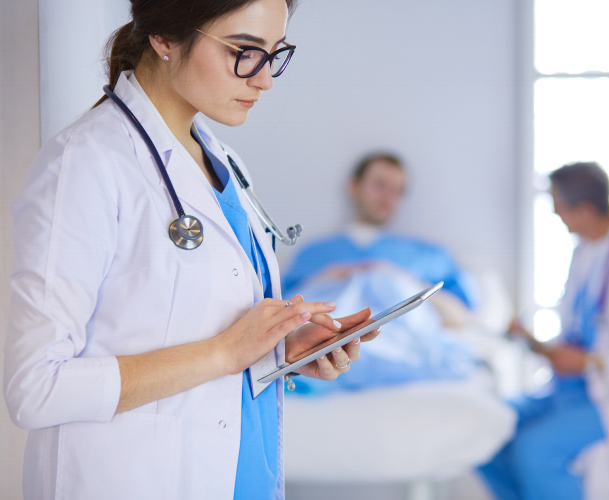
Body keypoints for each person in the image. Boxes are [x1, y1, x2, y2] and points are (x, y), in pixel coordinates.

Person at [3, 1, 381, 499]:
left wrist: (276, 352)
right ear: (163, 37)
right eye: (245, 52)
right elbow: (36, 389)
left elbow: (191, 330)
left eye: (274, 54)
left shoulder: (220, 160)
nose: (265, 80)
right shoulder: (84, 165)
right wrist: (225, 352)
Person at [478, 162, 609, 500]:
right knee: (485, 429)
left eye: (558, 207)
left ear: (586, 210)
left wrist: (594, 362)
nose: (556, 215)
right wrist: (535, 342)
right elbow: (582, 333)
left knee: (534, 452)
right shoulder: (586, 251)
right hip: (572, 390)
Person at [283, 152, 480, 329]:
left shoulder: (428, 255)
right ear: (354, 187)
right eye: (380, 185)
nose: (388, 197)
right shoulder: (312, 254)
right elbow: (281, 311)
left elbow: (463, 318)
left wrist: (401, 281)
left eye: (398, 191)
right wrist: (329, 278)